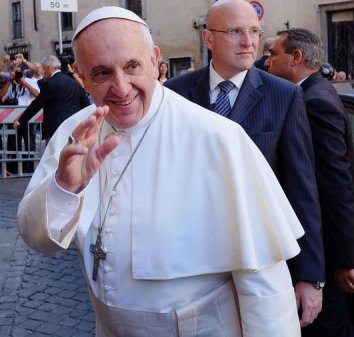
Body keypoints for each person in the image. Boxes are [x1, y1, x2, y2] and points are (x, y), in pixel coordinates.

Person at [17, 6, 304, 337]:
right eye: (101, 73)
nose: (121, 88)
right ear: (81, 77)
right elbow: (38, 240)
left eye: (132, 66)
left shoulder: (218, 138)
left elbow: (265, 286)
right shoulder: (75, 133)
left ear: (155, 61)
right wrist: (64, 188)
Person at [164, 0, 324, 328]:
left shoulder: (283, 95)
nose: (249, 41)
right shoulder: (174, 94)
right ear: (208, 38)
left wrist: (311, 276)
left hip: (258, 261)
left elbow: (302, 189)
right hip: (190, 264)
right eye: (236, 31)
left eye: (254, 31)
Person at [265, 27, 354, 337]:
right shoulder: (314, 90)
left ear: (296, 58)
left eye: (272, 55)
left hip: (322, 253)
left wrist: (344, 258)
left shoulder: (313, 101)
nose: (266, 63)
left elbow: (335, 185)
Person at [14, 55, 90, 143]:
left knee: (54, 156)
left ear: (49, 69)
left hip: (56, 131)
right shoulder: (73, 82)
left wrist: (21, 121)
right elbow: (86, 103)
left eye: (43, 68)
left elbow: (37, 104)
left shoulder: (50, 84)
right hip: (74, 129)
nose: (42, 72)